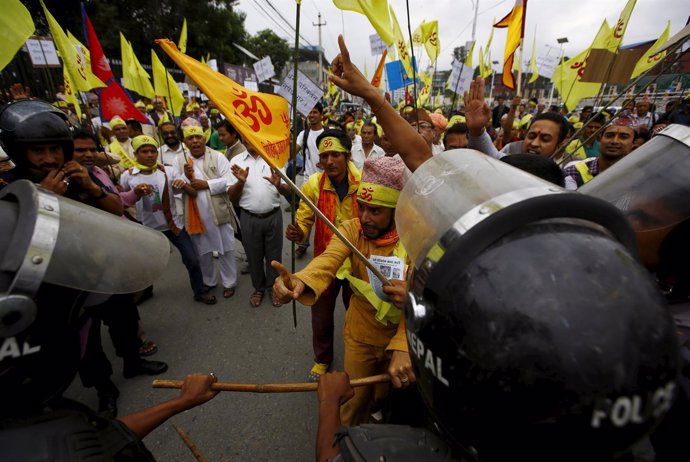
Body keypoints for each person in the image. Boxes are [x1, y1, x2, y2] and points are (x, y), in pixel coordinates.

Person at [314, 36, 680, 462]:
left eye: (655, 216)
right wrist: (376, 97)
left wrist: (328, 406)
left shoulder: (606, 316)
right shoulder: (553, 236)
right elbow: (427, 164)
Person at [0, 178, 219, 459]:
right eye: (78, 313)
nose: (86, 322)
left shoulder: (30, 419)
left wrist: (180, 403)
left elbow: (106, 433)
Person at [273, 155, 414, 426]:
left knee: (386, 398)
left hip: (400, 336)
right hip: (360, 333)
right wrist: (301, 279)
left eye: (375, 211)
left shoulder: (415, 236)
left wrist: (404, 344)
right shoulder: (352, 228)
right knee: (353, 401)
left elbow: (426, 293)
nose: (364, 217)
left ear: (396, 211)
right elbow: (328, 259)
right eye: (361, 207)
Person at [285, 128, 359, 380]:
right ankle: (322, 358)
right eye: (324, 155)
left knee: (358, 314)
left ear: (347, 155)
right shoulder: (314, 183)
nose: (329, 161)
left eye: (335, 154)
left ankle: (357, 358)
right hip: (324, 263)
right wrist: (299, 232)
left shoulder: (363, 181)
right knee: (321, 315)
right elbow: (304, 218)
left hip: (356, 262)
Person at [119, 135, 216, 305]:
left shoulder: (169, 171)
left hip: (174, 226)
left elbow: (192, 193)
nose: (149, 155)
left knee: (192, 260)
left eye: (152, 151)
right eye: (144, 151)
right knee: (146, 265)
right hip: (148, 228)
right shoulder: (128, 176)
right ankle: (146, 290)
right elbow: (123, 201)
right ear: (136, 154)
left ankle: (199, 291)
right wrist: (137, 193)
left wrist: (182, 185)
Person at [173, 125, 238, 299]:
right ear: (185, 142)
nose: (195, 141)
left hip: (219, 212)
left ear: (204, 139)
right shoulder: (179, 160)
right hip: (196, 215)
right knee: (202, 252)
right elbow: (175, 187)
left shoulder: (218, 157)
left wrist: (206, 184)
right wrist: (184, 178)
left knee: (226, 249)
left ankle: (229, 283)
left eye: (198, 137)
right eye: (190, 138)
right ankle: (209, 282)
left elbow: (230, 181)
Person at [228, 141, 290, 307]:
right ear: (241, 137)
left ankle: (274, 288)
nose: (249, 140)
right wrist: (240, 182)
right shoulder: (236, 161)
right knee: (253, 256)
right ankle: (259, 288)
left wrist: (279, 185)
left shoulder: (274, 159)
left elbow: (287, 190)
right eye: (245, 136)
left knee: (274, 256)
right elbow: (232, 198)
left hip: (273, 216)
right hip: (249, 218)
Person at [563, 116, 637, 190]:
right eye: (609, 136)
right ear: (601, 138)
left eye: (623, 137)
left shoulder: (638, 178)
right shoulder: (574, 171)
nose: (615, 141)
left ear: (633, 144)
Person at [294, 103, 326, 257]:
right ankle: (303, 243)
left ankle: (326, 246)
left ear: (321, 115)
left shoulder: (327, 133)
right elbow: (292, 152)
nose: (312, 115)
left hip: (326, 181)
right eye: (310, 113)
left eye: (315, 112)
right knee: (305, 214)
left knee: (325, 216)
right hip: (308, 182)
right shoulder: (303, 134)